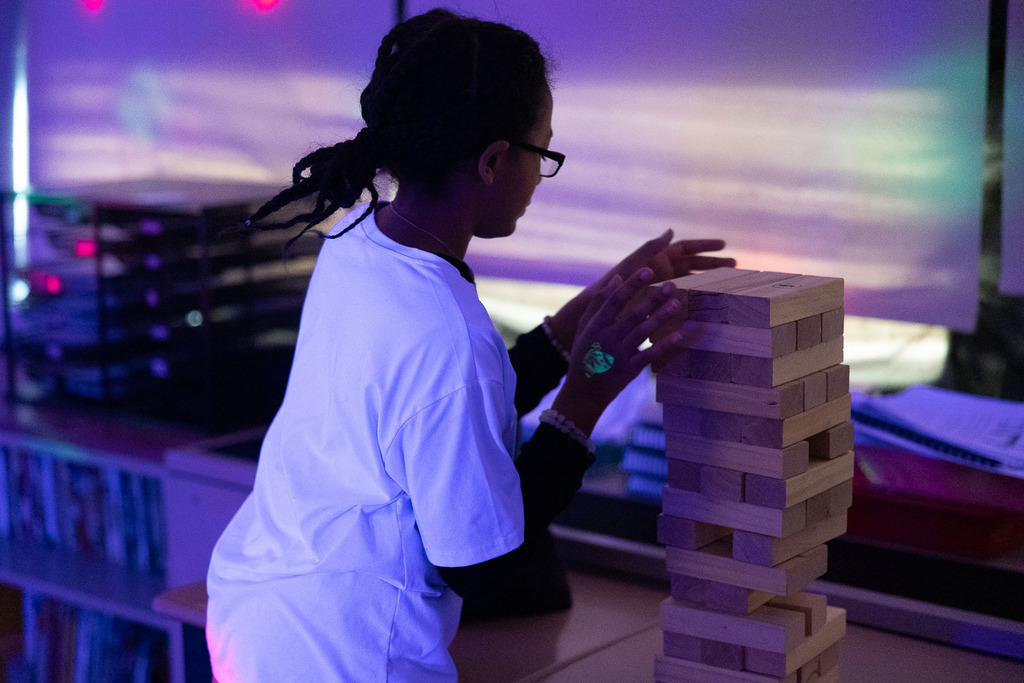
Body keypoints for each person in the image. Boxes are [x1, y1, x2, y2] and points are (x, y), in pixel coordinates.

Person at [205, 9, 734, 682]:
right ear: (493, 161)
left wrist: (601, 300)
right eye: (542, 154)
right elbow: (485, 563)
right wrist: (591, 383)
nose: (541, 177)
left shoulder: (359, 236)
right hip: (349, 656)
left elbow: (447, 404)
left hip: (265, 615)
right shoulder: (446, 335)